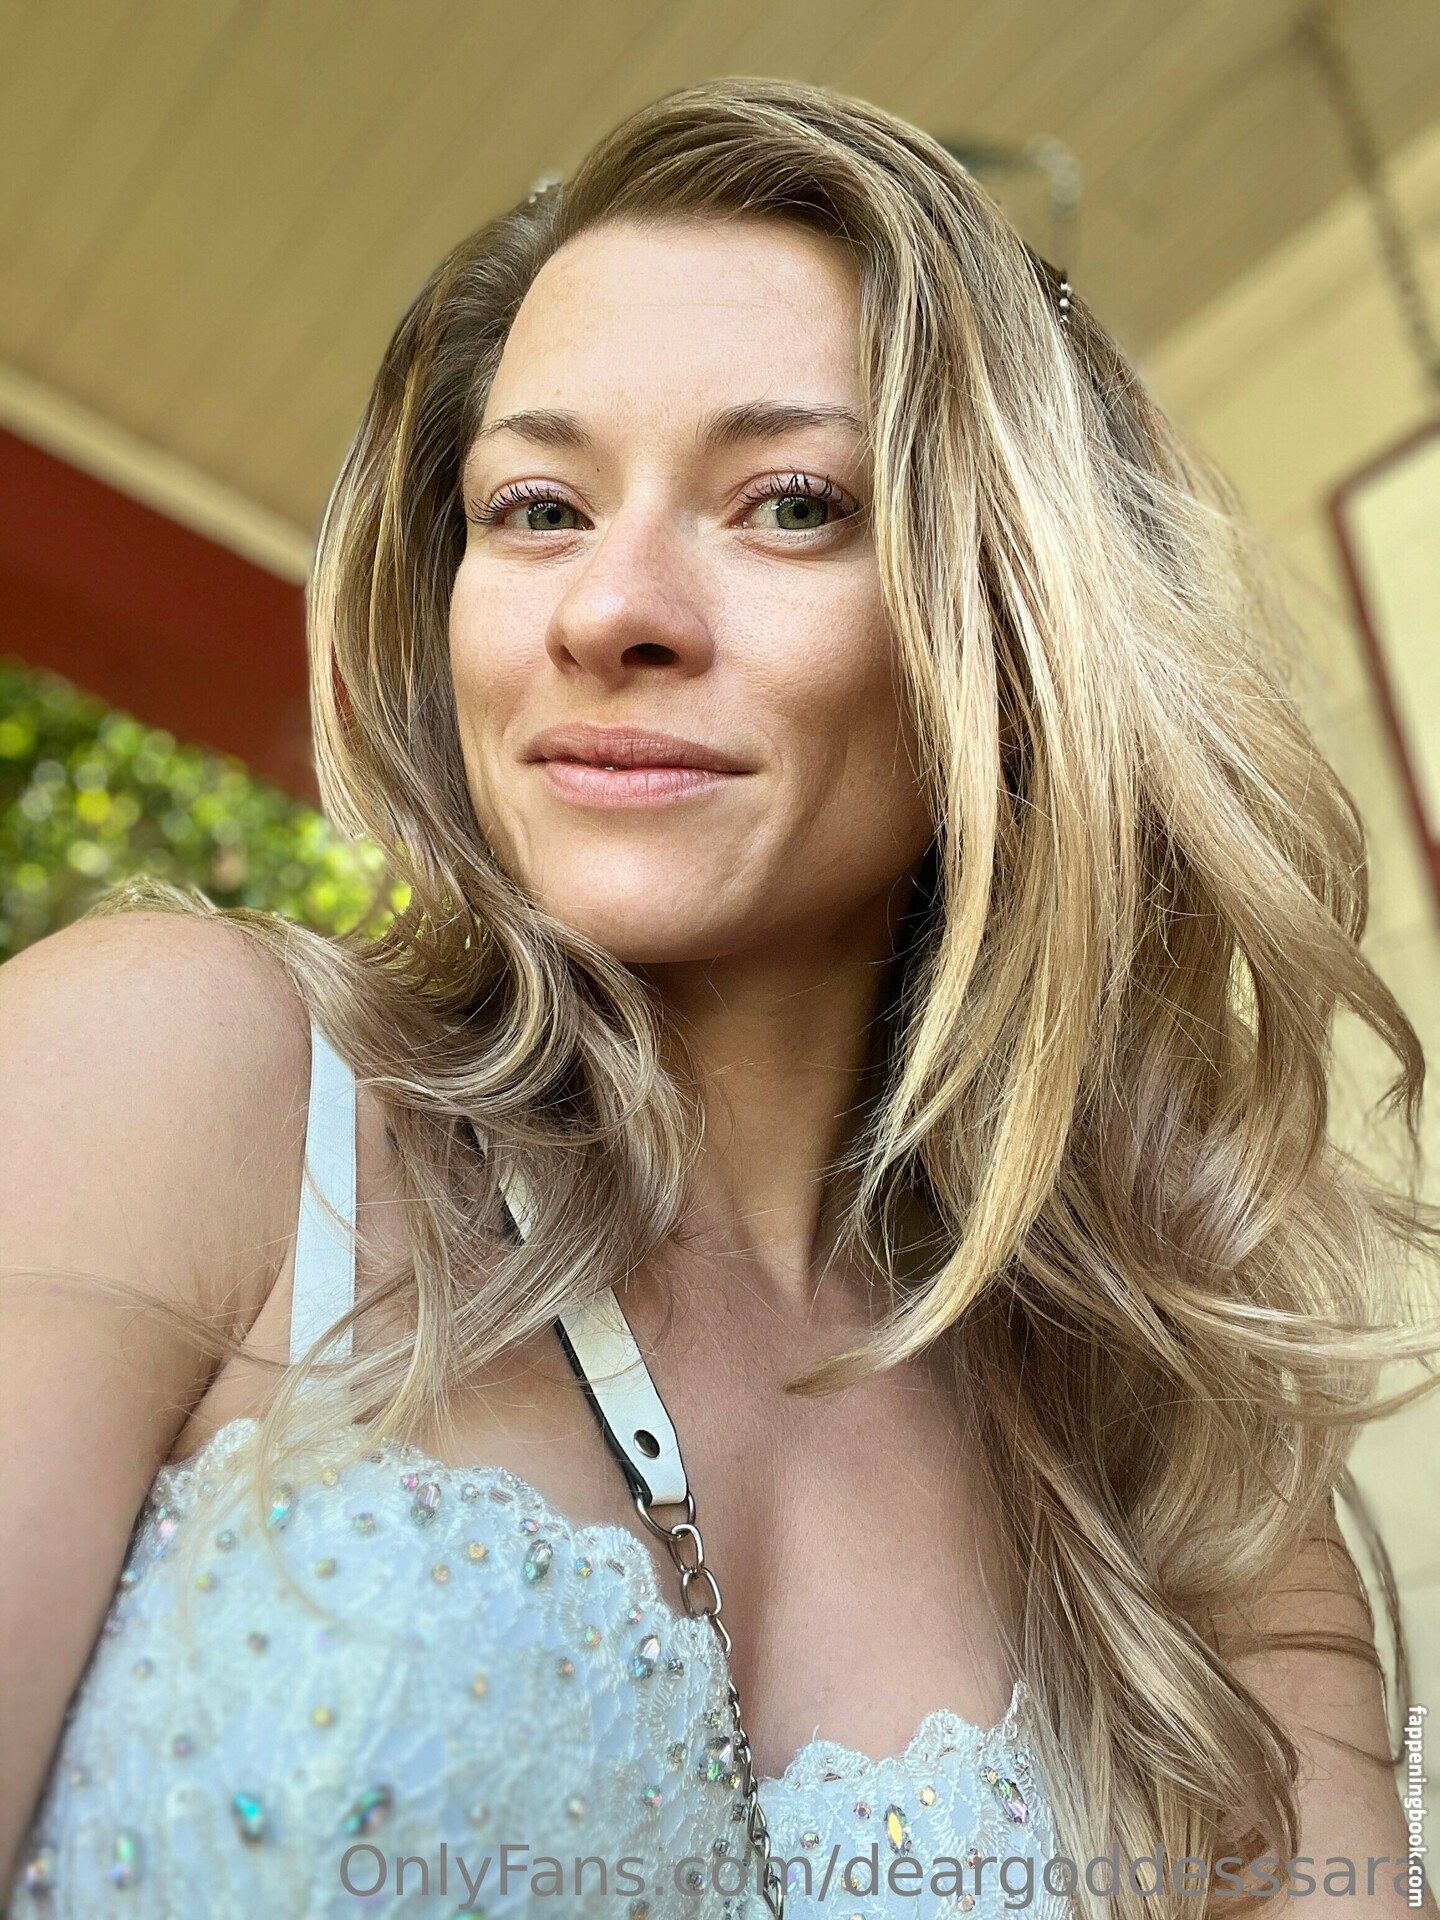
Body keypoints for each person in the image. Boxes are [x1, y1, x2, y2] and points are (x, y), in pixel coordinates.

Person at [1, 76, 1435, 1920]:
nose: (611, 608)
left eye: (790, 504)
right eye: (536, 506)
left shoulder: (1184, 1470)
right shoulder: (182, 1073)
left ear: (1015, 634)